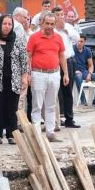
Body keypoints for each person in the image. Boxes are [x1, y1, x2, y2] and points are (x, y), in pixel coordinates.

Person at [26, 12, 70, 142]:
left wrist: (65, 73)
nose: (49, 26)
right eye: (47, 23)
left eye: (52, 24)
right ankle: (37, 133)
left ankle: (50, 132)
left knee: (51, 105)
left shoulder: (58, 37)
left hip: (55, 73)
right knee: (37, 105)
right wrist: (27, 73)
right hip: (38, 73)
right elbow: (28, 56)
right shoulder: (34, 37)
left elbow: (62, 56)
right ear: (42, 23)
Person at [0, 14, 29, 145]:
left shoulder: (17, 40)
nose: (7, 27)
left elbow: (24, 60)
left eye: (9, 24)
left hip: (14, 80)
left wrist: (25, 77)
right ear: (0, 25)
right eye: (4, 24)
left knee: (12, 107)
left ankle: (12, 134)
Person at [54, 7, 80, 128]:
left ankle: (69, 118)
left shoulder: (68, 27)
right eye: (57, 15)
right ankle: (58, 118)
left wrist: (65, 29)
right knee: (55, 91)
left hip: (68, 60)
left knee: (67, 90)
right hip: (54, 61)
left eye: (61, 14)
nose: (60, 17)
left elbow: (77, 39)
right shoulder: (50, 29)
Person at [74, 35, 95, 106]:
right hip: (74, 71)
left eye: (81, 41)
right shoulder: (71, 49)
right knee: (78, 77)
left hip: (84, 71)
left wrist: (89, 74)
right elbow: (67, 63)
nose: (79, 43)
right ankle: (83, 100)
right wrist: (74, 71)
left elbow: (90, 65)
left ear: (84, 42)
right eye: (78, 41)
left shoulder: (87, 50)